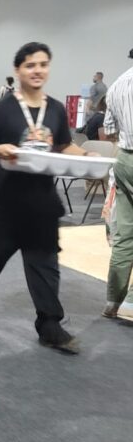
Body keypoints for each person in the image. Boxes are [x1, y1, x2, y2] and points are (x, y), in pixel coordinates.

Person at [0, 42, 93, 352]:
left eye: (43, 64)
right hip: (7, 202)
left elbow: (63, 145)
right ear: (18, 70)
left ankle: (50, 325)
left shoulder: (56, 109)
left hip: (43, 203)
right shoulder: (2, 110)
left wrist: (87, 155)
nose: (37, 71)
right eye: (30, 65)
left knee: (45, 264)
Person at [102, 50, 133, 320]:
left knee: (124, 234)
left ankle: (114, 301)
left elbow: (109, 130)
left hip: (124, 159)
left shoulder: (117, 85)